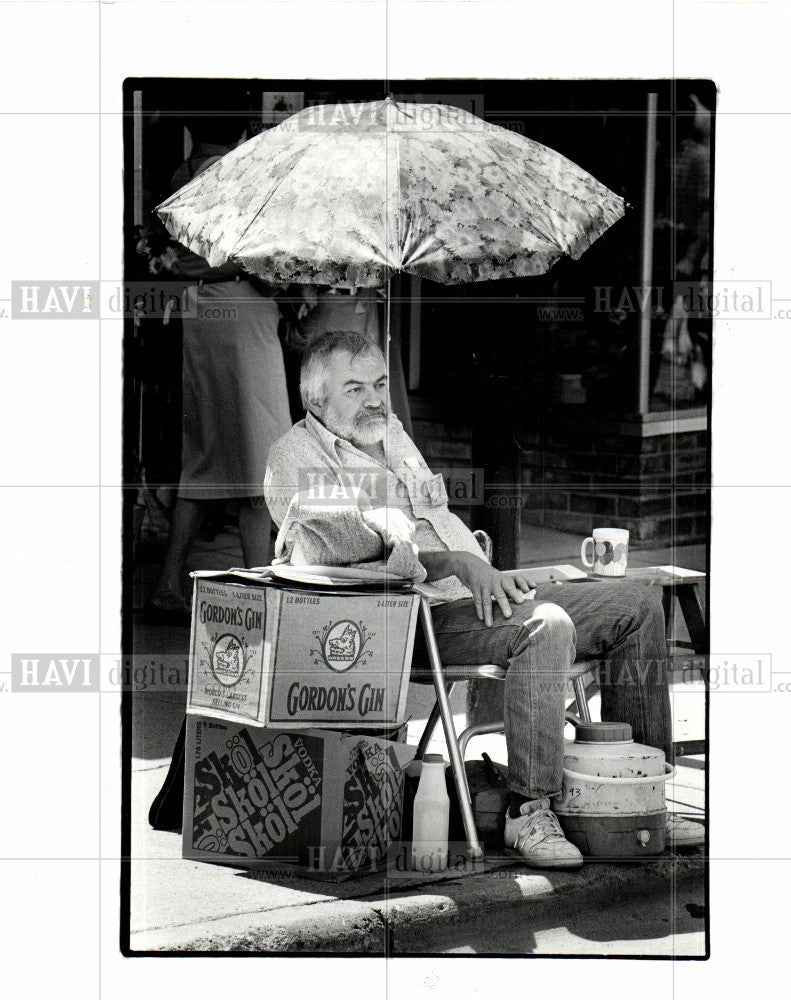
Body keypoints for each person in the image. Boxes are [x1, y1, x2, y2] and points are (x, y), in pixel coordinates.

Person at [264, 330, 704, 869]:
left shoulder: (392, 433)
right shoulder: (293, 456)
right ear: (316, 400)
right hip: (406, 623)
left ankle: (639, 797)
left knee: (635, 602)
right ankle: (530, 808)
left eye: (381, 383)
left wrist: (482, 568)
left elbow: (436, 517)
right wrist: (454, 563)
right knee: (548, 627)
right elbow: (331, 540)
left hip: (474, 592)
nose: (376, 399)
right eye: (355, 389)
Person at [146, 116, 293, 623]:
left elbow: (195, 258)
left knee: (207, 464)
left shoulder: (190, 175)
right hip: (239, 321)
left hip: (213, 317)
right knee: (258, 465)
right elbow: (241, 257)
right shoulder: (232, 175)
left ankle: (170, 584)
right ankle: (263, 595)